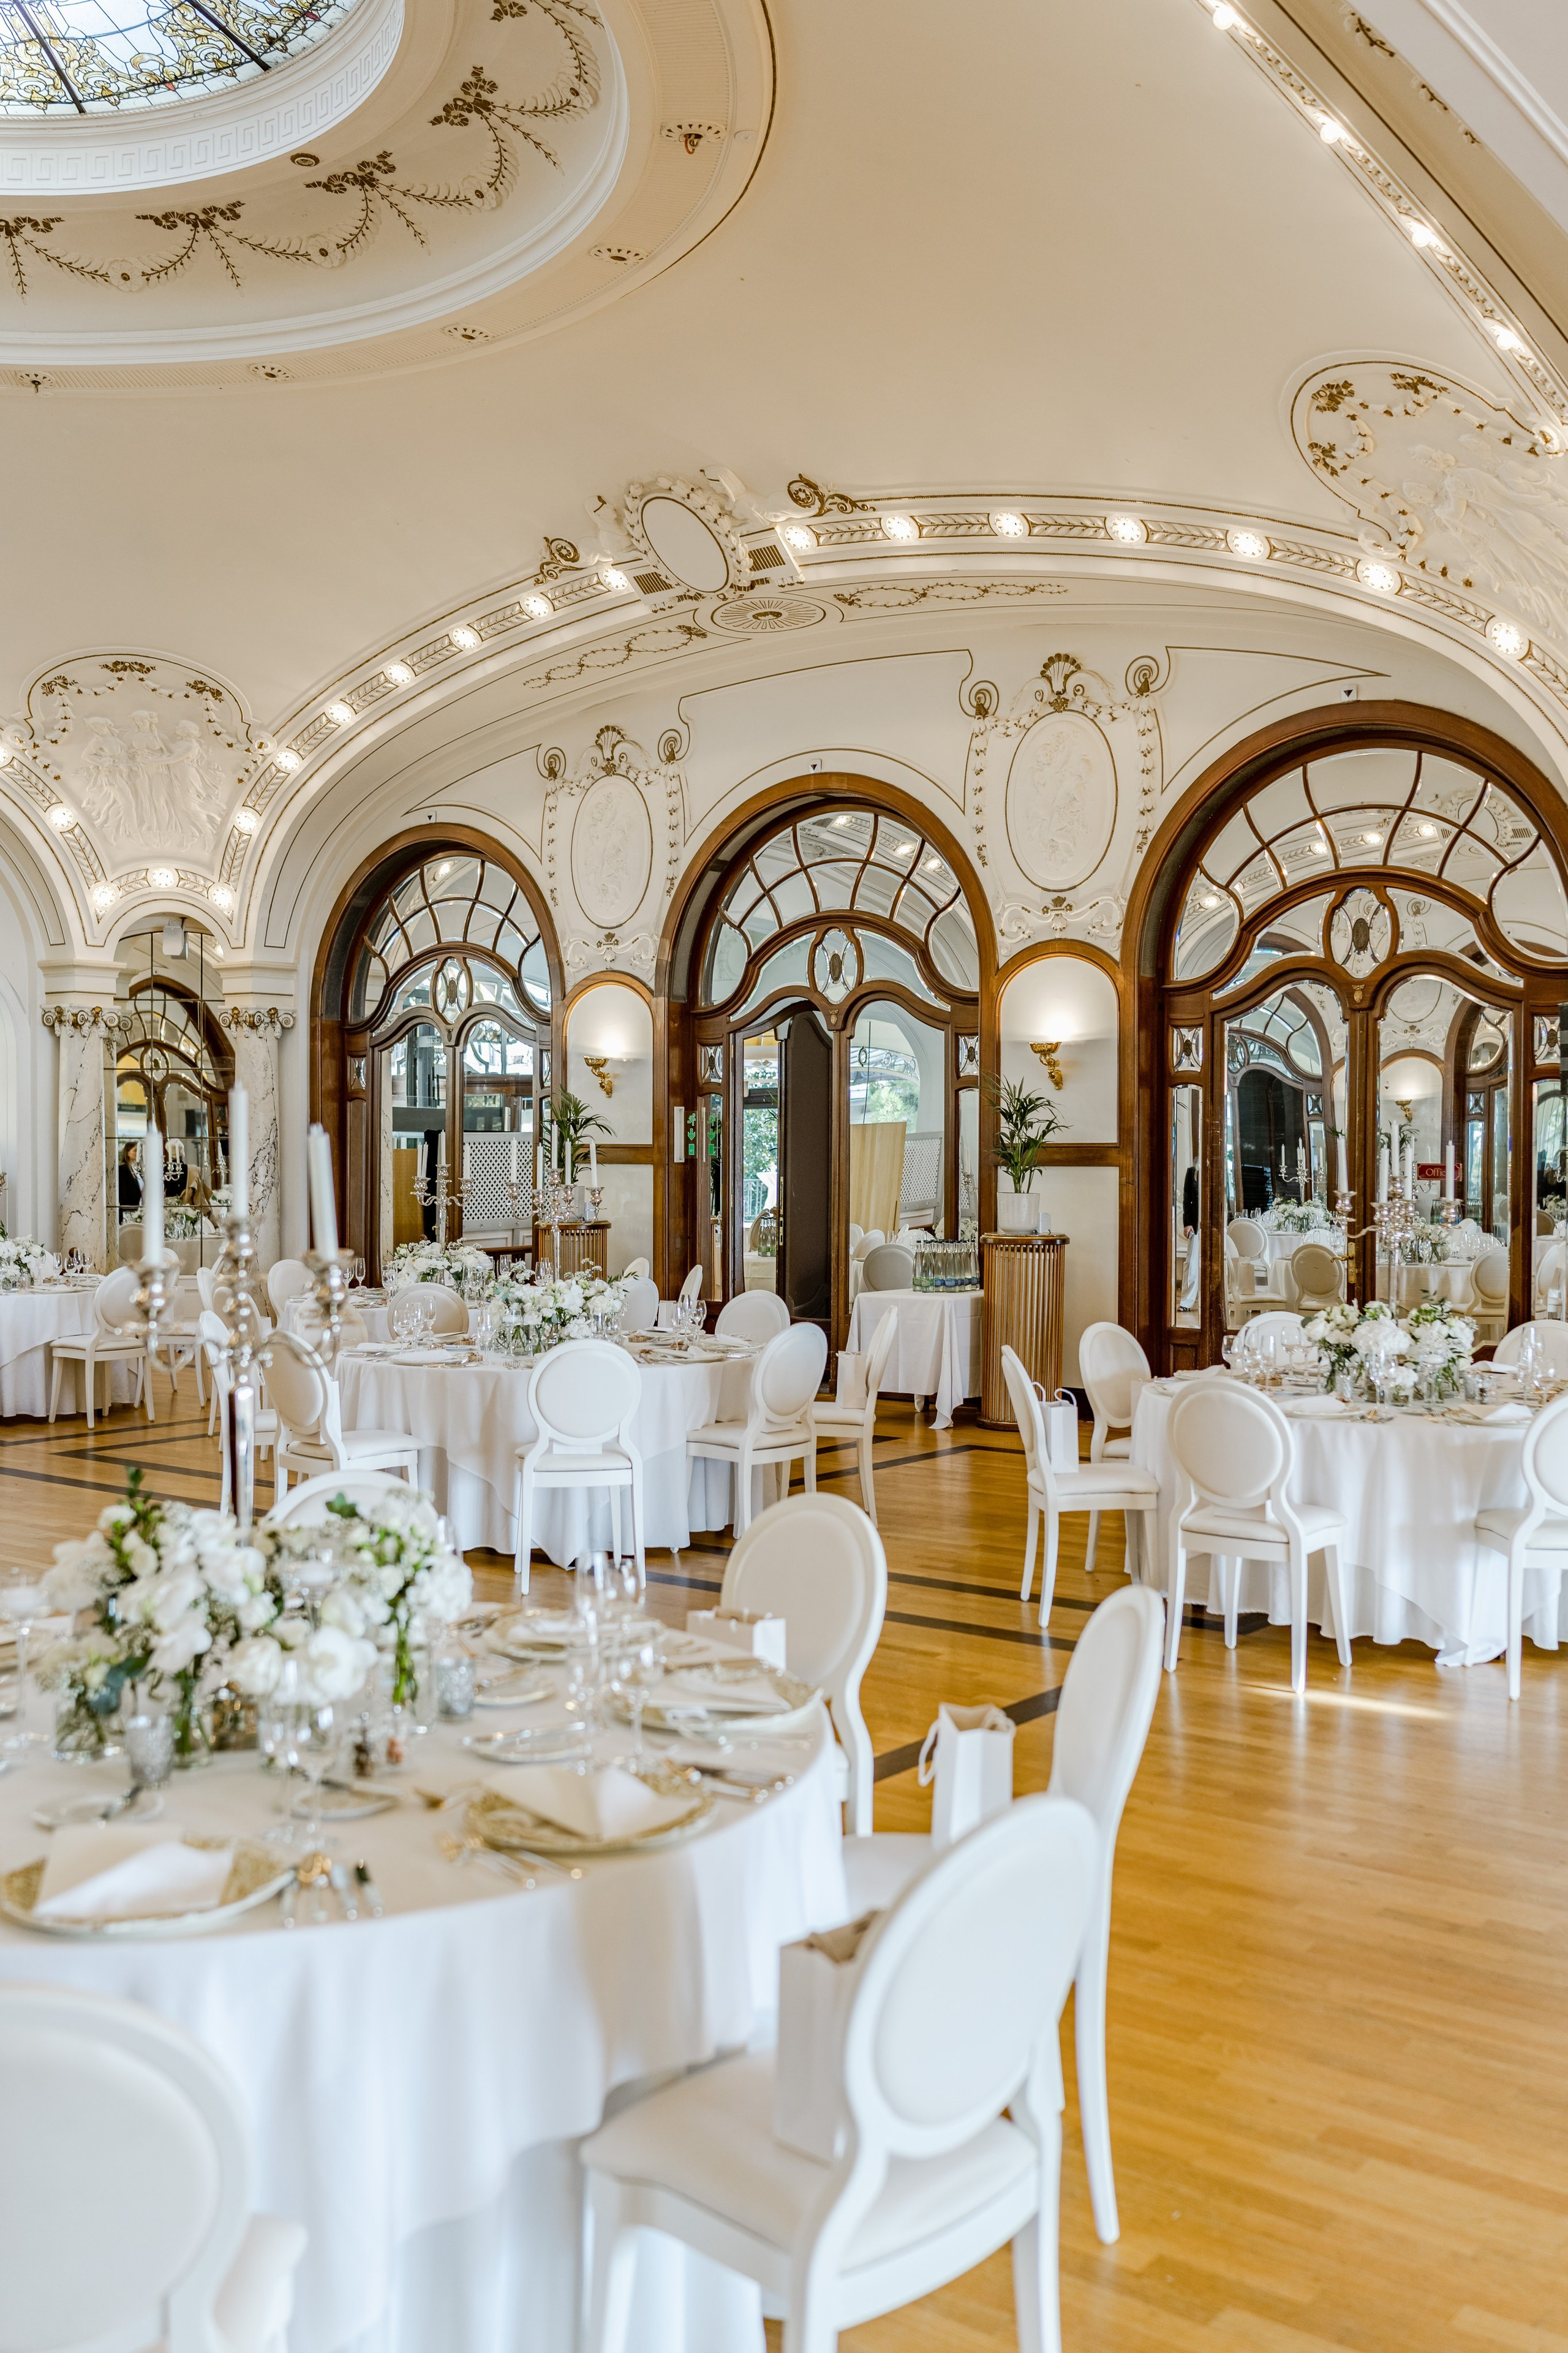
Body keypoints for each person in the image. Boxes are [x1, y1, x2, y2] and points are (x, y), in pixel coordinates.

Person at [116, 1141, 141, 1214]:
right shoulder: (122, 1169)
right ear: (127, 1153)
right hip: (129, 1211)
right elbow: (122, 1193)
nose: (138, 1153)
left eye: (139, 1151)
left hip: (138, 1209)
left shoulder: (138, 1169)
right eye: (135, 1151)